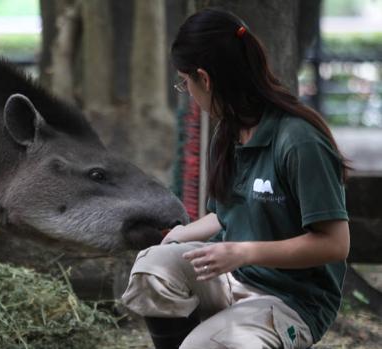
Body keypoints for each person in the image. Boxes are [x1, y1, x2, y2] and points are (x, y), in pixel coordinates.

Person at [121, 8, 350, 349]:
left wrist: (243, 252)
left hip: (292, 302)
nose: (188, 92)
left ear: (205, 78)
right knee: (151, 268)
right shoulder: (228, 132)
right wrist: (178, 235)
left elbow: (335, 244)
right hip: (234, 277)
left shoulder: (299, 141)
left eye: (185, 83)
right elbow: (226, 214)